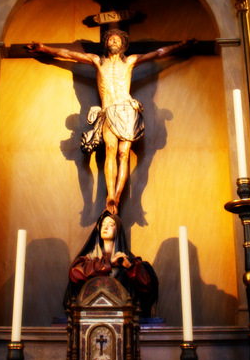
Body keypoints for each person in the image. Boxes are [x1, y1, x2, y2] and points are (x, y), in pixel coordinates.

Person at [28, 30, 195, 213]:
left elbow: (159, 53)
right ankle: (110, 196)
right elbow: (68, 54)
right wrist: (44, 48)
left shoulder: (131, 61)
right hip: (109, 110)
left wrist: (181, 46)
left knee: (124, 154)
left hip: (128, 110)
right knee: (110, 150)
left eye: (117, 39)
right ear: (106, 43)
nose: (114, 41)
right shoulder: (97, 61)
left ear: (123, 44)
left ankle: (118, 193)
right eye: (110, 39)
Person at [64, 211, 158, 318]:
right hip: (92, 314)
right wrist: (108, 264)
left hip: (123, 316)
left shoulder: (127, 260)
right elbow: (75, 274)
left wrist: (131, 268)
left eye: (111, 225)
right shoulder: (89, 259)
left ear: (118, 230)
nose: (105, 227)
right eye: (103, 224)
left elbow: (147, 286)